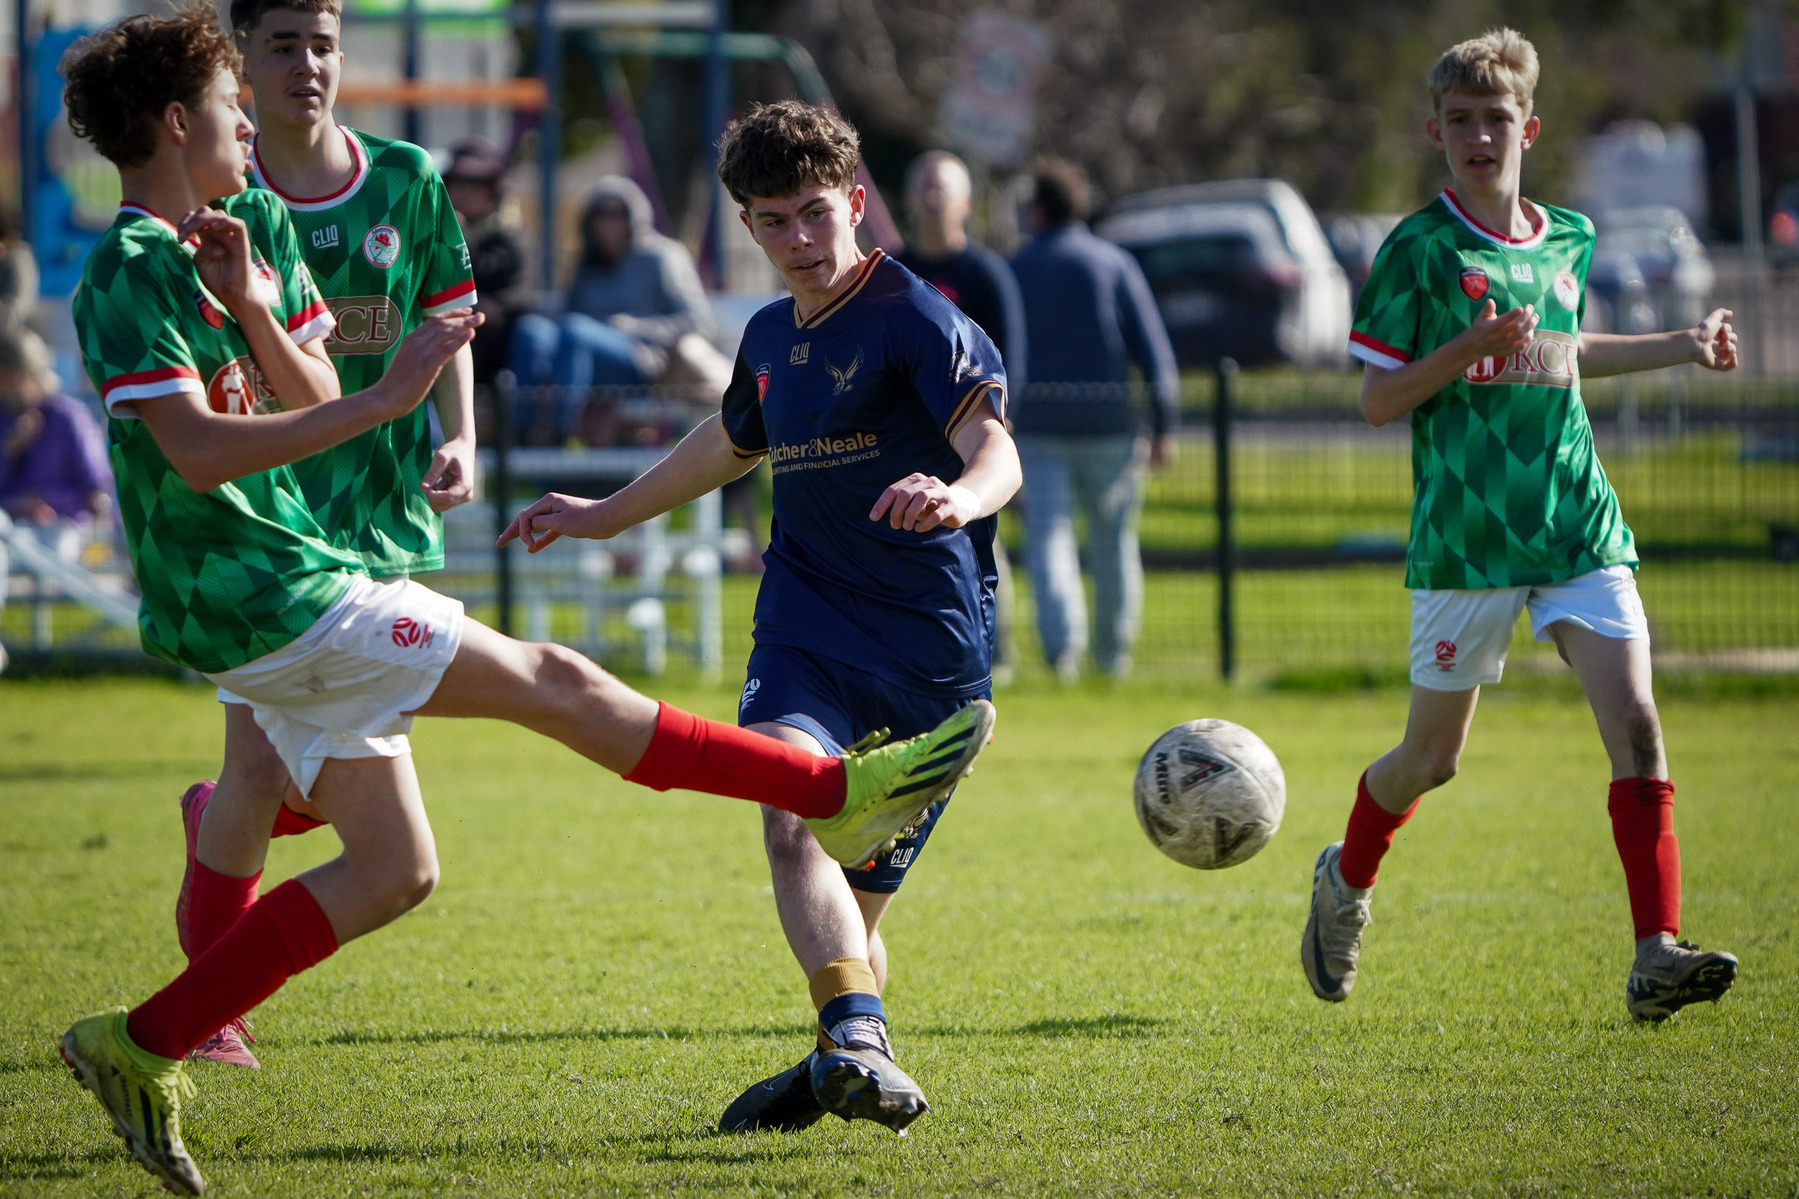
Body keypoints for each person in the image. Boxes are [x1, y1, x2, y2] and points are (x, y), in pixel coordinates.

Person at [56, 14, 993, 1194]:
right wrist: (396, 389)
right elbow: (196, 454)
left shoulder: (223, 246)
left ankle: (137, 1041)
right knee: (558, 682)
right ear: (180, 124)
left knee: (396, 867)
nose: (254, 119)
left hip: (285, 587)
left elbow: (303, 382)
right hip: (269, 590)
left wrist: (253, 302)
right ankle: (836, 787)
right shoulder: (131, 264)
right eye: (233, 101)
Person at [503, 100, 1019, 1135]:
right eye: (772, 220)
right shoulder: (766, 335)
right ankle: (858, 1038)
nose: (798, 241)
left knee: (854, 923)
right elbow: (728, 441)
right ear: (745, 226)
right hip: (804, 631)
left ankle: (836, 1048)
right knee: (789, 815)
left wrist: (960, 495)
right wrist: (603, 515)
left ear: (856, 203)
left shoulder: (914, 315)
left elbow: (995, 444)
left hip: (928, 652)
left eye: (814, 214)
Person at [1303, 28, 1740, 1023]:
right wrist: (1462, 347)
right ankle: (1345, 878)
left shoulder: (1568, 238)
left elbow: (1565, 348)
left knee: (1634, 723)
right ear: (1433, 132)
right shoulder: (1417, 249)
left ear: (1527, 127)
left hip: (1575, 525)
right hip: (1465, 541)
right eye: (1457, 120)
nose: (1475, 135)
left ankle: (1653, 951)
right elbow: (1375, 401)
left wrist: (1682, 343)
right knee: (1430, 758)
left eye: (1492, 118)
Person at [165, 0, 480, 1070]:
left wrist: (463, 435)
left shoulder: (405, 178)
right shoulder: (221, 198)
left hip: (382, 519)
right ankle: (206, 1020)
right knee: (261, 764)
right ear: (242, 62)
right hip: (271, 528)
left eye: (325, 44)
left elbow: (448, 313)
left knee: (304, 770)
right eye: (285, 44)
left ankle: (215, 843)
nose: (309, 64)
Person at [1009, 158, 1178, 680]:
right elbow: (1153, 349)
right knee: (1114, 543)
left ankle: (1063, 655)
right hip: (1111, 427)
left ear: (1036, 209)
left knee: (1049, 541)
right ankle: (1113, 657)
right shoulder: (1114, 263)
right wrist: (1165, 422)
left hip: (1035, 430)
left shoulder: (1016, 267)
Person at [897, 149, 1026, 679]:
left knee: (979, 542)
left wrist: (999, 432)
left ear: (965, 202)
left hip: (970, 437)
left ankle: (999, 649)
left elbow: (1010, 357)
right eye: (923, 187)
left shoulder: (986, 273)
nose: (931, 199)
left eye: (941, 188)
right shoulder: (894, 272)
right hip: (909, 439)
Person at [507, 176, 732, 443]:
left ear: (635, 216)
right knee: (530, 330)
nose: (609, 223)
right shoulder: (587, 263)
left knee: (576, 330)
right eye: (600, 214)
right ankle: (519, 435)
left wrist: (633, 326)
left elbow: (698, 321)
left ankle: (560, 434)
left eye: (618, 214)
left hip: (641, 359)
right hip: (579, 358)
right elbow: (568, 314)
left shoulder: (661, 256)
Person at [441, 138, 530, 392]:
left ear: (493, 191)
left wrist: (460, 232)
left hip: (495, 344)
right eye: (459, 183)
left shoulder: (507, 231)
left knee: (474, 316)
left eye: (477, 184)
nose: (466, 192)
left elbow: (506, 292)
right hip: (441, 336)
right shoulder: (431, 225)